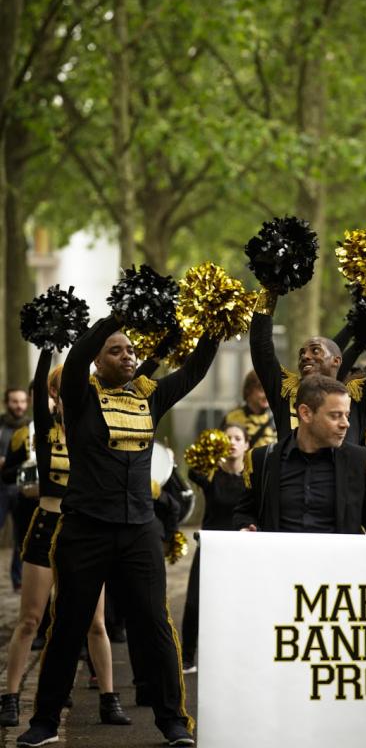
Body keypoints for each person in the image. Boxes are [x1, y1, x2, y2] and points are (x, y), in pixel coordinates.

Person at [16, 315, 219, 748]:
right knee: (68, 625)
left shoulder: (150, 398)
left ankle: (173, 722)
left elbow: (196, 369)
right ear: (98, 362)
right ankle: (46, 721)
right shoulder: (80, 394)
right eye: (115, 350)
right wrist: (122, 313)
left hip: (139, 532)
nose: (127, 356)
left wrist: (216, 325)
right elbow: (75, 360)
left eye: (130, 350)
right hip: (84, 530)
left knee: (156, 625)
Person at [0, 352, 130, 729]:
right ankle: (9, 697)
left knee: (96, 623)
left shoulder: (94, 426)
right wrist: (46, 347)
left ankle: (109, 699)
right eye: (62, 388)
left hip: (87, 529)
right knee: (29, 620)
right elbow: (39, 390)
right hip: (46, 527)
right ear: (55, 393)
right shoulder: (43, 427)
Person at [233, 374, 366, 537]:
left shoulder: (360, 461)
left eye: (347, 415)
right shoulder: (263, 460)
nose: (345, 424)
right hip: (280, 562)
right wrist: (246, 527)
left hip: (337, 564)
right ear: (306, 413)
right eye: (335, 416)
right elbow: (244, 513)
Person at [249, 291, 366, 444]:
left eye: (315, 351)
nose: (305, 356)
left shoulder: (357, 401)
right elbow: (261, 346)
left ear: (336, 361)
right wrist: (269, 290)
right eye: (302, 353)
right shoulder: (285, 393)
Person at [181, 423, 249, 673]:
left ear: (246, 445)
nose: (232, 441)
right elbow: (191, 470)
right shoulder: (211, 474)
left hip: (240, 550)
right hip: (210, 547)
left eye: (237, 438)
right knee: (194, 603)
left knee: (236, 604)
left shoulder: (252, 478)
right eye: (227, 437)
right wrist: (211, 449)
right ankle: (187, 657)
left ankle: (235, 655)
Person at [0, 388, 30, 590]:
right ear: (6, 403)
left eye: (22, 401)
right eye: (14, 401)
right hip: (0, 487)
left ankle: (18, 581)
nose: (18, 406)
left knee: (22, 537)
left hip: (21, 489)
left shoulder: (31, 427)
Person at [221, 370, 276, 448]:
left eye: (269, 390)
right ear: (249, 390)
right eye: (261, 390)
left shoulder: (277, 418)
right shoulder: (232, 418)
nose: (266, 395)